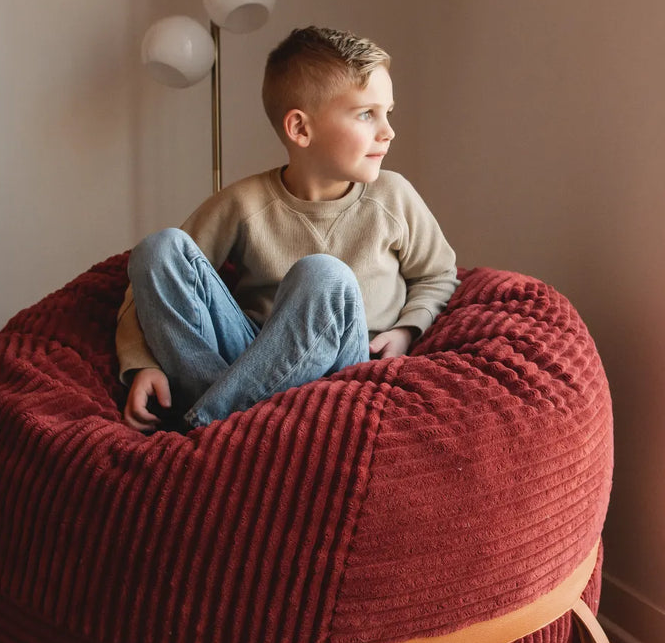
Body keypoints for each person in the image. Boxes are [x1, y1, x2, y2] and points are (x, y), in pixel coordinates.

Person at [116, 25, 458, 432]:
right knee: (160, 248)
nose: (388, 131)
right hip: (250, 360)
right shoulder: (243, 204)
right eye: (367, 114)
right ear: (300, 129)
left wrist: (406, 329)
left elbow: (439, 274)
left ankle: (205, 426)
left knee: (323, 274)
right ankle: (231, 416)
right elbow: (151, 287)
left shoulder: (393, 196)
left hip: (341, 373)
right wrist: (144, 363)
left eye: (388, 112)